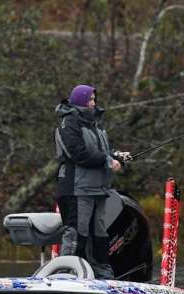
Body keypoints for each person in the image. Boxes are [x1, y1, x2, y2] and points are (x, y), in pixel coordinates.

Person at [54, 84, 131, 279]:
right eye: (90, 99)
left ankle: (101, 275)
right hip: (76, 188)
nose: (93, 103)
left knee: (99, 234)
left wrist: (116, 155)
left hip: (98, 189)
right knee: (76, 234)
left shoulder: (94, 124)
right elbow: (77, 153)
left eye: (94, 99)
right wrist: (108, 161)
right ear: (80, 101)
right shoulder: (68, 123)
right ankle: (68, 274)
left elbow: (101, 152)